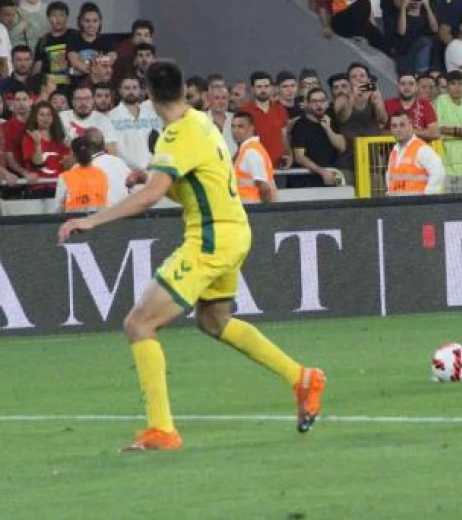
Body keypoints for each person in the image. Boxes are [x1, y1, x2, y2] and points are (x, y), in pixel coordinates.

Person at [57, 60, 326, 451]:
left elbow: (151, 196)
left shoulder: (174, 136)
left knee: (139, 324)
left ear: (149, 96)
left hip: (210, 239)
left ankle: (161, 430)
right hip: (235, 231)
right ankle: (301, 377)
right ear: (185, 89)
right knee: (214, 320)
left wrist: (92, 220)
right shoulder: (202, 121)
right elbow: (196, 180)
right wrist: (151, 177)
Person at [385, 111, 444, 196]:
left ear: (410, 125)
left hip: (417, 207)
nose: (398, 130)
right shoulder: (394, 151)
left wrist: (427, 197)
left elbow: (438, 172)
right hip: (398, 206)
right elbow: (391, 178)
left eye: (402, 125)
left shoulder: (422, 149)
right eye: (394, 126)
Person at [54, 136, 108, 213]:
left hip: (74, 221)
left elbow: (58, 208)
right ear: (91, 152)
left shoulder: (65, 177)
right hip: (98, 220)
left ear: (73, 154)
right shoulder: (102, 174)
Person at [232, 112, 277, 204]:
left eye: (240, 126)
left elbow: (264, 188)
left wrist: (264, 211)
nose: (235, 130)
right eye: (233, 126)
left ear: (251, 128)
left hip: (253, 208)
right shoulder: (246, 150)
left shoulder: (251, 152)